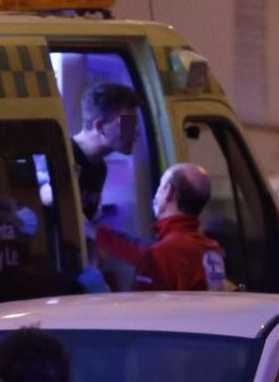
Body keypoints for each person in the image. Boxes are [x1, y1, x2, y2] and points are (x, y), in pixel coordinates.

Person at [93, 163, 227, 291]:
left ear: (169, 191)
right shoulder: (212, 249)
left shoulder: (161, 255)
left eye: (160, 186)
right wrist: (100, 235)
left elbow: (142, 311)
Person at [71, 82, 141, 223]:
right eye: (128, 125)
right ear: (101, 127)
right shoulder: (63, 154)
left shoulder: (100, 168)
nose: (135, 133)